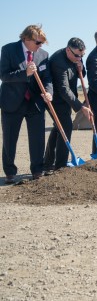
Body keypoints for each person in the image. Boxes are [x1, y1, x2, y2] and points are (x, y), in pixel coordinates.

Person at [1, 24, 53, 183]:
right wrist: (26, 73)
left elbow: (47, 78)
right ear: (26, 39)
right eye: (38, 43)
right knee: (10, 138)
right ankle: (10, 172)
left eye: (42, 43)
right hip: (12, 102)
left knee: (37, 138)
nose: (40, 46)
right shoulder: (8, 50)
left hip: (35, 102)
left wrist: (49, 91)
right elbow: (4, 75)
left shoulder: (43, 55)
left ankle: (37, 170)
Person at [44, 37, 93, 171]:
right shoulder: (57, 61)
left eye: (82, 56)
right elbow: (63, 89)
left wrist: (81, 68)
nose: (79, 58)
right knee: (66, 126)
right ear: (68, 50)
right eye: (77, 56)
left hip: (67, 98)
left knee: (58, 127)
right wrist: (81, 107)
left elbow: (82, 74)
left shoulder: (77, 55)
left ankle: (47, 162)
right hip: (56, 99)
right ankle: (60, 165)